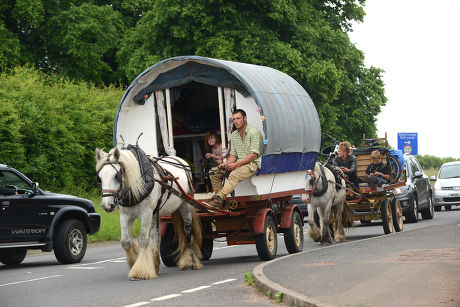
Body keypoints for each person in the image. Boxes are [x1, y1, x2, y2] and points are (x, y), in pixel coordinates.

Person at [204, 109, 263, 209]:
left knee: (234, 174)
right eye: (234, 119)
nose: (236, 121)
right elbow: (233, 155)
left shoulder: (254, 132)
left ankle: (218, 198)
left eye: (238, 118)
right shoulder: (234, 135)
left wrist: (236, 165)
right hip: (239, 164)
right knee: (214, 172)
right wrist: (226, 164)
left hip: (252, 164)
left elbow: (253, 155)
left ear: (245, 119)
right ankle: (219, 203)